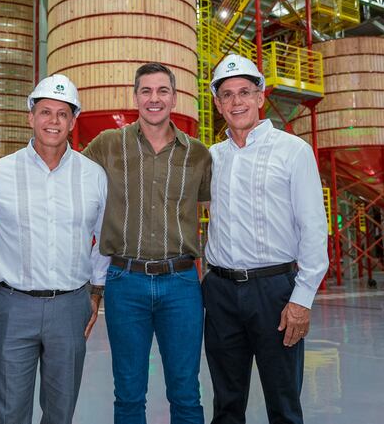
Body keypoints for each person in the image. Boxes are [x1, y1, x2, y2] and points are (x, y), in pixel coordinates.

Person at [0, 74, 108, 424]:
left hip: (71, 305)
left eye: (63, 114)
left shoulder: (93, 176)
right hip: (15, 306)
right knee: (7, 410)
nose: (54, 121)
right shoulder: (0, 172)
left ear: (73, 121)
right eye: (46, 112)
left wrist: (95, 291)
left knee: (60, 411)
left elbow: (105, 239)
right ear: (30, 117)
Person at [83, 62, 212, 424]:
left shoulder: (198, 154)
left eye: (162, 91)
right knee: (127, 393)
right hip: (125, 282)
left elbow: (219, 210)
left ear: (174, 97)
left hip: (182, 283)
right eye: (146, 91)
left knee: (186, 393)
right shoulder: (108, 144)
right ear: (135, 97)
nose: (154, 99)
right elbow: (65, 175)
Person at [203, 54, 329, 424]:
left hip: (275, 291)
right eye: (227, 95)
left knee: (283, 402)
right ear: (217, 104)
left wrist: (302, 300)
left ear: (260, 97)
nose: (236, 101)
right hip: (221, 291)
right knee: (226, 403)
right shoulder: (212, 158)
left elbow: (313, 229)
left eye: (244, 92)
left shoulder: (293, 152)